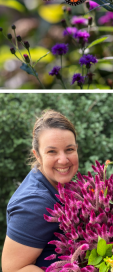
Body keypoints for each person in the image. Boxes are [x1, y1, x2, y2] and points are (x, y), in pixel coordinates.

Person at [2, 110, 79, 271]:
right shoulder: (35, 203)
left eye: (69, 149)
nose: (63, 160)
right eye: (52, 151)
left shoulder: (56, 182)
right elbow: (13, 269)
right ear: (37, 156)